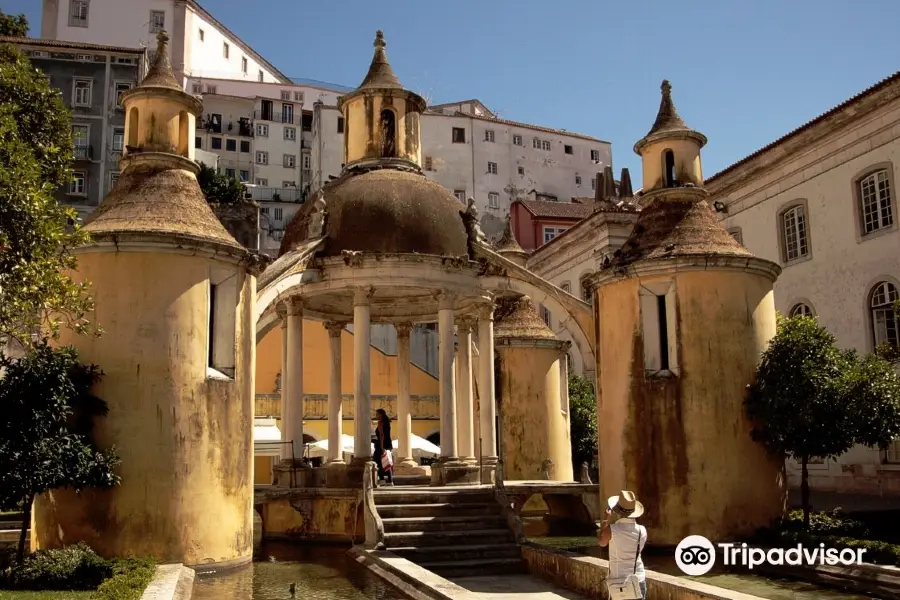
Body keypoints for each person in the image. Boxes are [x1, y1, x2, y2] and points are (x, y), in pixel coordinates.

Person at [598, 490, 647, 599]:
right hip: (637, 579)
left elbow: (602, 542)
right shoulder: (642, 530)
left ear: (617, 511)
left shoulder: (611, 530)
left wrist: (606, 519)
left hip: (618, 582)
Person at [373, 408, 393, 486]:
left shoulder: (380, 423)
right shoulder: (387, 423)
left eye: (377, 414)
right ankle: (390, 481)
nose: (376, 415)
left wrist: (381, 447)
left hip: (381, 445)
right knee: (387, 461)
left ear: (381, 414)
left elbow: (382, 435)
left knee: (377, 462)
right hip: (388, 444)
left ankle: (382, 480)